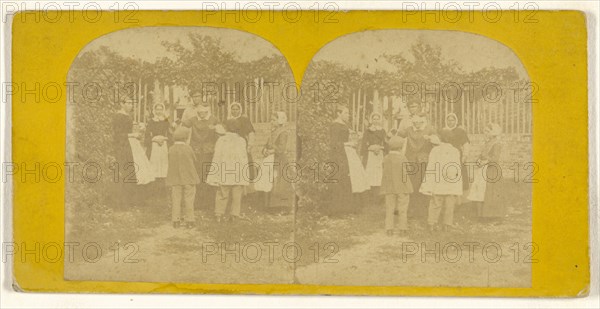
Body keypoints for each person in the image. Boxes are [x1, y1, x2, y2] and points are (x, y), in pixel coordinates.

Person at [420, 132, 463, 232]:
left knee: (435, 203)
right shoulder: (455, 151)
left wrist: (429, 182)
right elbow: (457, 168)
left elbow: (431, 166)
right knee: (449, 204)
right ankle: (447, 225)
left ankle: (431, 223)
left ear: (440, 139)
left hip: (438, 182)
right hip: (450, 182)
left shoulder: (435, 150)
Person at [207, 124, 249, 222]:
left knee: (222, 192)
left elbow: (217, 156)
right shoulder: (241, 140)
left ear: (226, 129)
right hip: (237, 171)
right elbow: (244, 157)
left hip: (224, 170)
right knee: (237, 193)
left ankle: (219, 214)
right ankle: (234, 215)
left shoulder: (221, 140)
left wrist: (215, 171)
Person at [397, 113, 437, 219]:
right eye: (415, 122)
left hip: (424, 161)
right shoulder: (409, 129)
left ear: (423, 121)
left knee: (423, 185)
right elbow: (397, 136)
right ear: (413, 121)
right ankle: (412, 209)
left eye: (419, 122)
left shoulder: (429, 129)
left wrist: (430, 138)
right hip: (410, 161)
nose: (417, 124)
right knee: (411, 185)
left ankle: (423, 210)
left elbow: (437, 141)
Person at [182, 104, 219, 212]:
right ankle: (197, 202)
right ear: (197, 112)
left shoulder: (214, 119)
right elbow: (182, 126)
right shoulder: (193, 120)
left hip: (209, 151)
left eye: (204, 112)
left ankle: (209, 202)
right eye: (200, 112)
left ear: (208, 111)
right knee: (197, 175)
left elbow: (221, 131)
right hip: (196, 151)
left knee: (208, 175)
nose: (202, 114)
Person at [467, 123, 505, 221]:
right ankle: (481, 214)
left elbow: (495, 158)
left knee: (490, 192)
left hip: (491, 170)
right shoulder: (487, 143)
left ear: (493, 132)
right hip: (483, 169)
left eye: (487, 131)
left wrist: (484, 161)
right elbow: (482, 155)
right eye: (484, 131)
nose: (485, 133)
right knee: (480, 191)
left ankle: (493, 216)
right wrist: (478, 160)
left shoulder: (497, 143)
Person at [166, 126, 200, 229]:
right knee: (189, 199)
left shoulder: (171, 149)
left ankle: (176, 220)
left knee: (176, 199)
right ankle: (190, 220)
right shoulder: (188, 148)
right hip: (189, 177)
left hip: (175, 178)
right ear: (185, 138)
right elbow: (194, 159)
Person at [380, 136, 413, 236]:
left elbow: (383, 168)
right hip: (403, 186)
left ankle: (389, 228)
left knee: (390, 208)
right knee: (402, 208)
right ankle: (403, 228)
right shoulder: (402, 158)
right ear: (400, 147)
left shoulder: (386, 158)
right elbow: (409, 169)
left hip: (389, 187)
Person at [260, 111, 291, 209]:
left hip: (279, 160)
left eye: (274, 120)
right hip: (270, 158)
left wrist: (270, 151)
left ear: (280, 120)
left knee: (278, 182)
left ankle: (280, 207)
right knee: (269, 181)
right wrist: (264, 150)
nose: (271, 122)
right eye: (271, 120)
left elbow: (281, 149)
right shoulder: (273, 132)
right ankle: (269, 205)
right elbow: (267, 144)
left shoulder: (283, 132)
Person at [326, 105, 353, 215]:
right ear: (338, 113)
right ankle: (337, 210)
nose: (348, 115)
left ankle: (344, 209)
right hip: (337, 156)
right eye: (346, 113)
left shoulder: (343, 125)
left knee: (344, 180)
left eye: (348, 113)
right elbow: (334, 144)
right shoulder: (335, 125)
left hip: (343, 154)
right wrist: (348, 143)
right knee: (339, 181)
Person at [111, 99, 138, 207]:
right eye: (128, 103)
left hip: (127, 146)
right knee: (122, 172)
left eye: (132, 103)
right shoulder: (118, 116)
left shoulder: (128, 116)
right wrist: (131, 135)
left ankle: (127, 202)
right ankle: (119, 203)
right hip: (120, 147)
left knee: (129, 171)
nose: (131, 105)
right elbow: (117, 134)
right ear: (122, 104)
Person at [225, 102, 256, 180]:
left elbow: (251, 132)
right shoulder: (227, 119)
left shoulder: (244, 119)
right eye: (233, 109)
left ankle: (248, 181)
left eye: (237, 109)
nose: (235, 111)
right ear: (230, 110)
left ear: (240, 110)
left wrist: (250, 145)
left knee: (245, 162)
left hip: (241, 143)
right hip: (230, 145)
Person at [441, 113, 470, 191]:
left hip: (457, 154)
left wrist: (465, 155)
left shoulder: (460, 131)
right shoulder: (443, 130)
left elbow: (465, 144)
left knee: (458, 170)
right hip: (445, 154)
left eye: (452, 120)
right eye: (448, 120)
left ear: (456, 121)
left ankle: (460, 189)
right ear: (446, 121)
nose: (450, 122)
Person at [361, 113, 387, 198]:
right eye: (374, 119)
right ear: (371, 120)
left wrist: (380, 147)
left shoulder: (382, 131)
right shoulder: (368, 131)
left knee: (379, 173)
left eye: (377, 119)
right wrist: (370, 147)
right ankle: (369, 194)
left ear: (380, 120)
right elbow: (364, 143)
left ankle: (379, 195)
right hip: (370, 154)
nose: (376, 121)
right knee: (370, 173)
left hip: (379, 154)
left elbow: (386, 143)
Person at [145, 103, 170, 180]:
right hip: (154, 144)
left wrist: (164, 139)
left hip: (164, 144)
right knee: (154, 165)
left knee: (163, 164)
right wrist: (155, 139)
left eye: (160, 109)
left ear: (163, 110)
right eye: (157, 109)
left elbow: (170, 134)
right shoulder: (151, 121)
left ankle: (163, 181)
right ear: (154, 110)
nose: (159, 111)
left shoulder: (166, 121)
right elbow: (147, 135)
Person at [345, 130, 371, 195]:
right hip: (347, 151)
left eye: (351, 135)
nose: (351, 136)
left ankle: (358, 190)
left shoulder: (354, 141)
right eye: (350, 135)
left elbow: (356, 144)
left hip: (352, 152)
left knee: (357, 172)